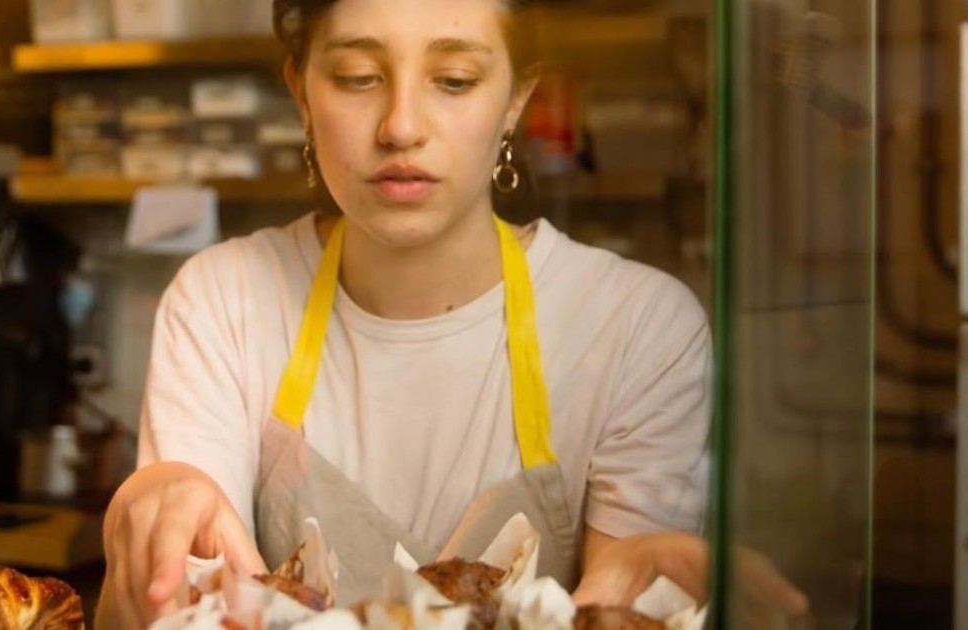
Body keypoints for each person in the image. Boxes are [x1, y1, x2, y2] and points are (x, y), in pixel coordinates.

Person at [96, 0, 806, 627]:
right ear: (301, 95)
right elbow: (182, 594)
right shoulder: (221, 300)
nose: (402, 127)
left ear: (516, 100)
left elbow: (623, 593)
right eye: (358, 77)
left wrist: (644, 585)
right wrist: (162, 507)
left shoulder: (637, 326)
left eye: (456, 80)